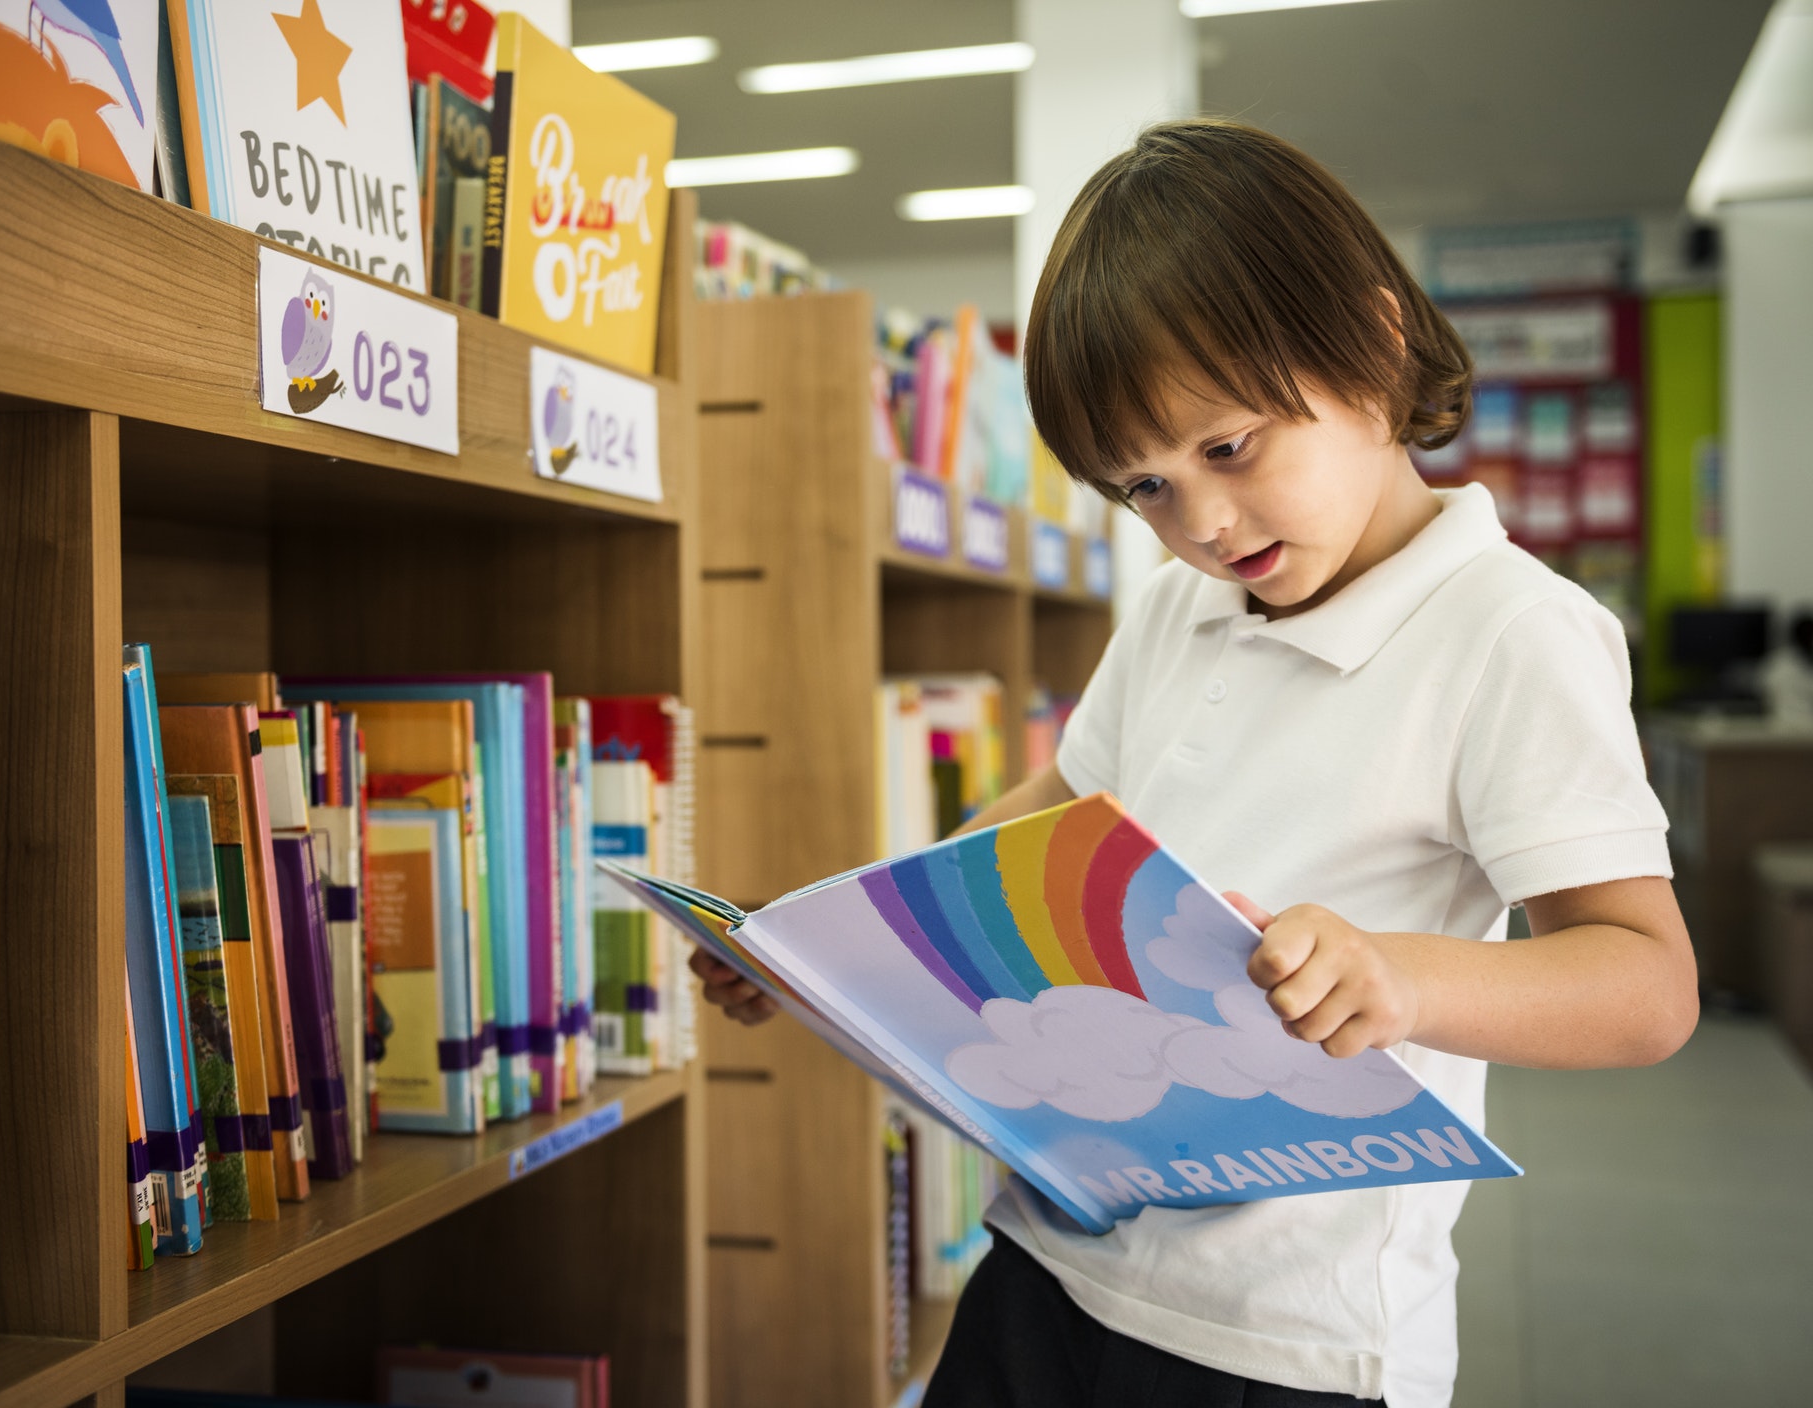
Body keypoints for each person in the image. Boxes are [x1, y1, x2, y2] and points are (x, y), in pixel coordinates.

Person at [691, 119, 1696, 1408]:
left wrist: (1398, 977)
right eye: (1145, 490)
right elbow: (1053, 819)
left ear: (1376, 345)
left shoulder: (1513, 632)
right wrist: (841, 937)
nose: (1203, 526)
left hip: (1283, 1336)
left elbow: (1648, 985)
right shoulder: (1183, 609)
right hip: (1054, 1249)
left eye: (1228, 450)